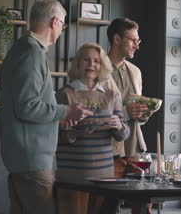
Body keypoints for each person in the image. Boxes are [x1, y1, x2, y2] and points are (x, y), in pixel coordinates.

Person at [0, 0, 93, 214]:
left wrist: (58, 117)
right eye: (62, 24)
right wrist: (66, 110)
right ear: (54, 22)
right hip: (33, 162)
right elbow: (27, 107)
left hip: (24, 160)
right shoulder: (31, 54)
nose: (62, 30)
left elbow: (24, 105)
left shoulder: (21, 50)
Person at [55, 43, 130, 214]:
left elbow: (124, 133)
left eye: (96, 61)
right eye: (86, 60)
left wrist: (118, 125)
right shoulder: (64, 94)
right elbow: (53, 134)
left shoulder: (111, 94)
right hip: (71, 175)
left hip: (104, 176)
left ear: (102, 66)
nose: (91, 65)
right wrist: (72, 133)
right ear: (78, 64)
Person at [104, 18, 159, 171]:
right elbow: (93, 110)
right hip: (108, 151)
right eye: (133, 40)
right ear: (116, 39)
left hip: (135, 152)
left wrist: (143, 113)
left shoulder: (136, 71)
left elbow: (136, 117)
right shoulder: (97, 69)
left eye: (138, 41)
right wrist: (126, 112)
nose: (137, 46)